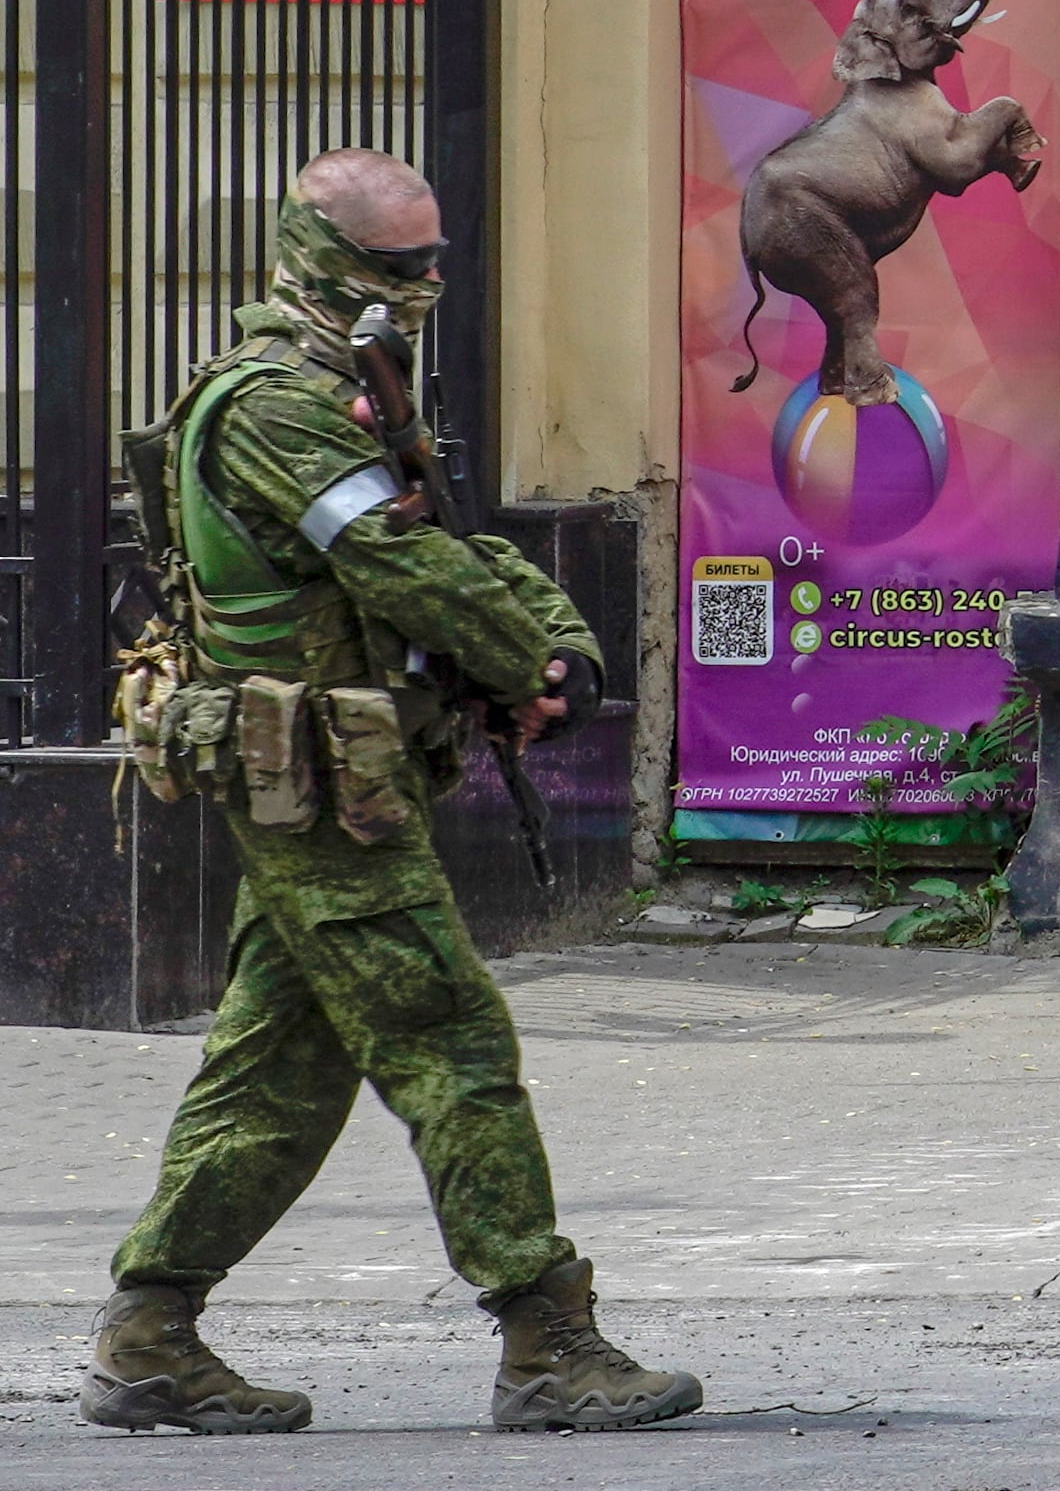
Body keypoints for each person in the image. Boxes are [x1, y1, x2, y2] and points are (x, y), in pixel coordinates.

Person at [86, 153, 701, 1436]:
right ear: (315, 255)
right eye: (395, 264)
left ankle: (148, 1337)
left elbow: (450, 541)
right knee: (452, 1038)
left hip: (344, 777)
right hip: (313, 786)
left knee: (276, 1071)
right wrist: (519, 657)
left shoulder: (350, 390)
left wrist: (550, 644)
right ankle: (546, 1336)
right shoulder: (271, 406)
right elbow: (389, 557)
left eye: (433, 261)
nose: (422, 286)